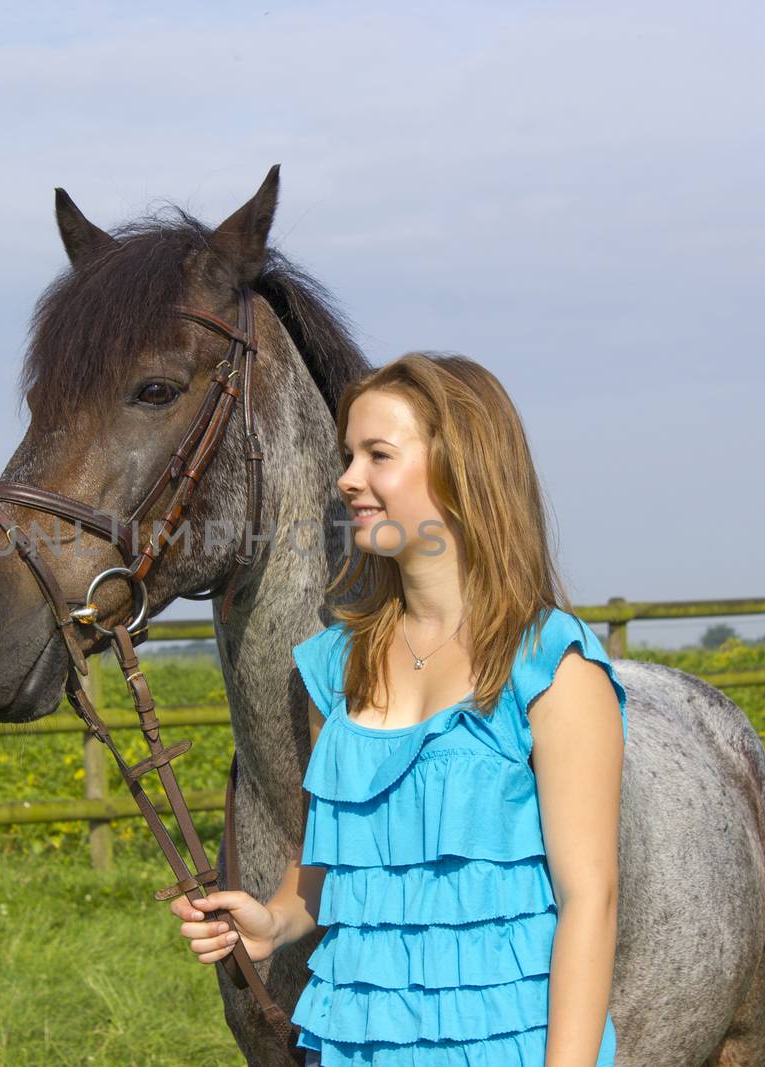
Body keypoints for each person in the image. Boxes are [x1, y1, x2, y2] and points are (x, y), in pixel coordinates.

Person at [171, 353, 627, 1066]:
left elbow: (589, 901)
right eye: (349, 455)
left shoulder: (549, 667)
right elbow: (331, 868)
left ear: (461, 468)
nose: (348, 478)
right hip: (361, 1043)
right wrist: (273, 920)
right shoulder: (338, 666)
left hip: (506, 1044)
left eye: (377, 454)